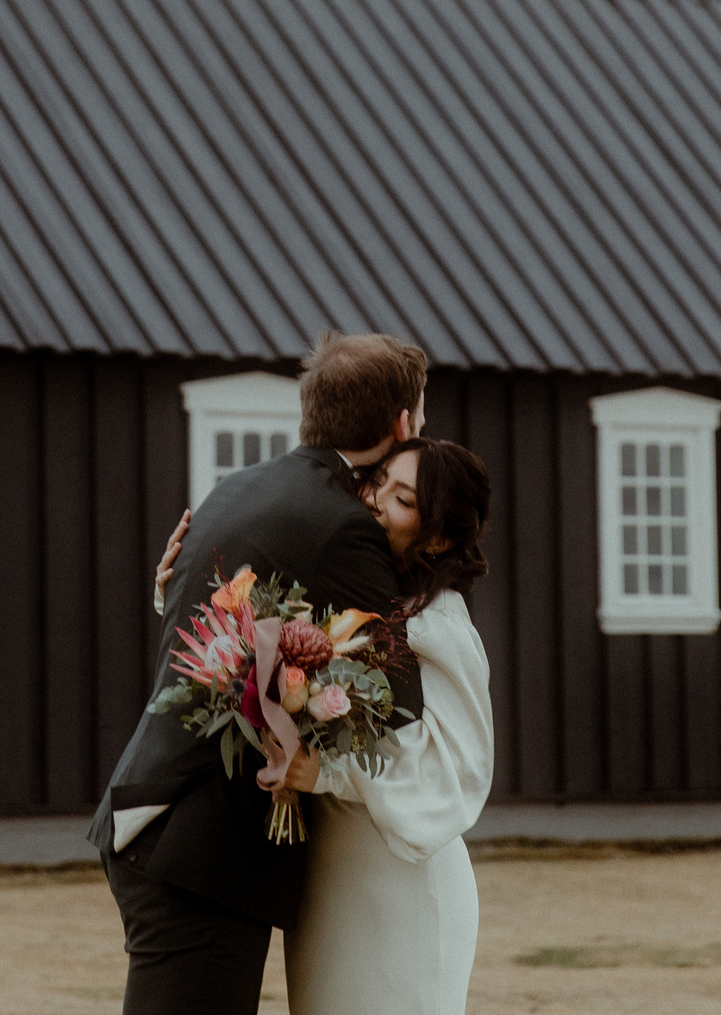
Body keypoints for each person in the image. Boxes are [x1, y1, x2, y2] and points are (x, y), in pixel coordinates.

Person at [90, 331, 431, 1015]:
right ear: (401, 423)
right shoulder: (344, 525)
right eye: (421, 414)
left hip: (158, 816)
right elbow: (396, 699)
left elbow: (192, 609)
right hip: (202, 849)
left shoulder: (238, 485)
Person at [151, 434, 495, 1015]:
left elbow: (455, 772)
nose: (376, 500)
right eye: (378, 482)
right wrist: (176, 593)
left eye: (403, 498)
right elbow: (250, 648)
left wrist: (326, 774)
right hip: (324, 885)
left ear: (438, 536)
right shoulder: (352, 592)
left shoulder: (439, 624)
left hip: (402, 887)